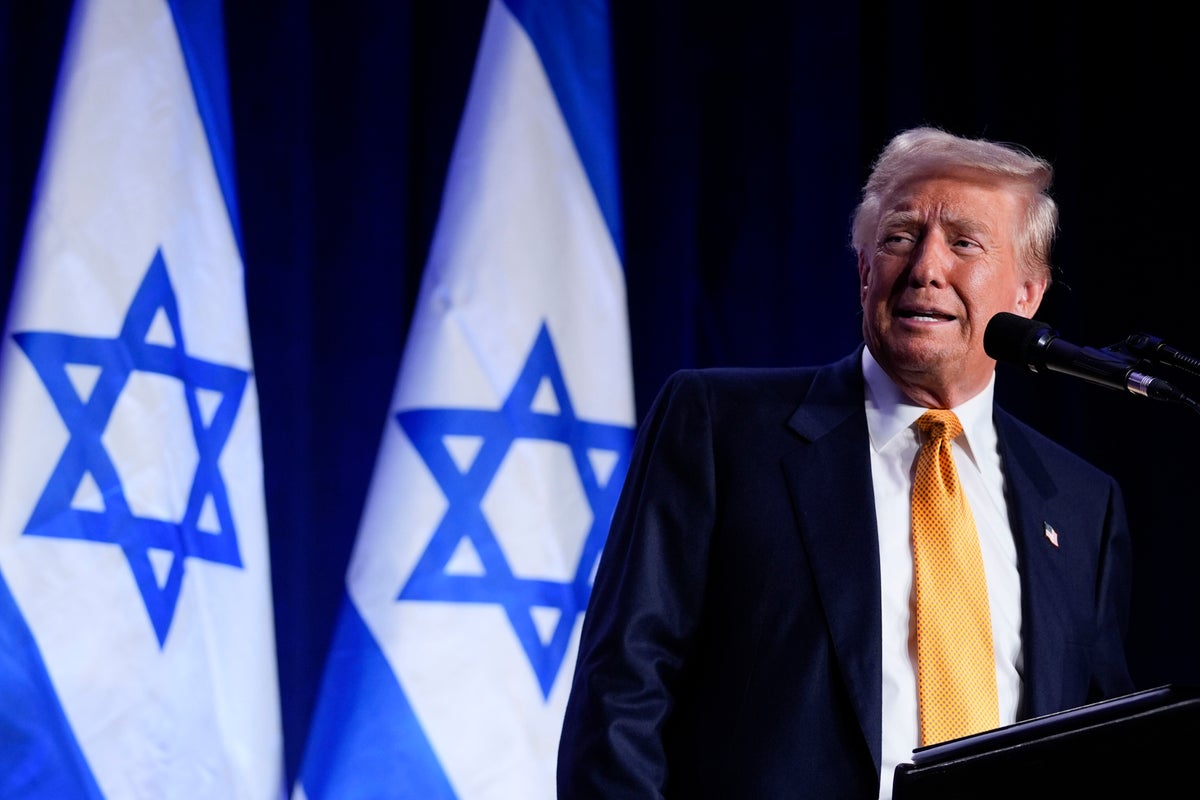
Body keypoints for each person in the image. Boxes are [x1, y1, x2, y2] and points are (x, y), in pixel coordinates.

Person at [555, 126, 1135, 799]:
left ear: (1027, 295)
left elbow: (1101, 749)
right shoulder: (720, 428)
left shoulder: (1081, 502)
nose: (925, 268)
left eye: (964, 243)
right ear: (864, 273)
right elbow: (619, 695)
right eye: (898, 238)